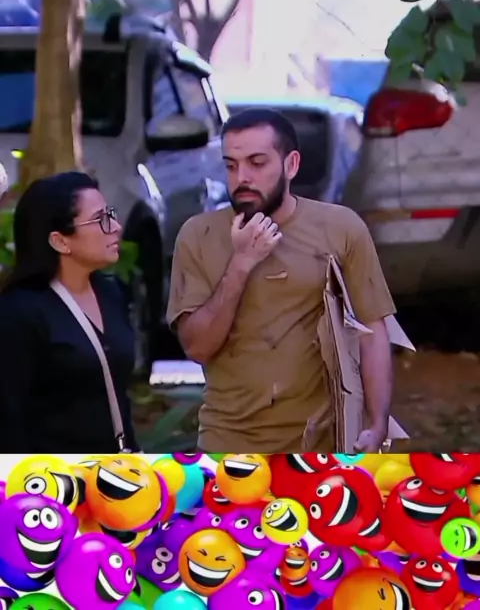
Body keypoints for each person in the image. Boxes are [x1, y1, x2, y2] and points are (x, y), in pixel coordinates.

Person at [167, 107, 396, 453]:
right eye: (231, 165)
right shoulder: (199, 235)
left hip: (319, 442)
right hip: (227, 439)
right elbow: (198, 348)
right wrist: (241, 263)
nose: (242, 178)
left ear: (291, 165)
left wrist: (377, 423)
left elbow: (372, 328)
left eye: (257, 163)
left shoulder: (341, 229)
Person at [0, 171, 138, 452]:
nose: (116, 227)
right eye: (100, 220)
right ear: (60, 241)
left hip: (117, 467)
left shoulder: (110, 293)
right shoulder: (20, 311)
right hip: (51, 473)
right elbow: (8, 417)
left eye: (110, 214)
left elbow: (118, 395)